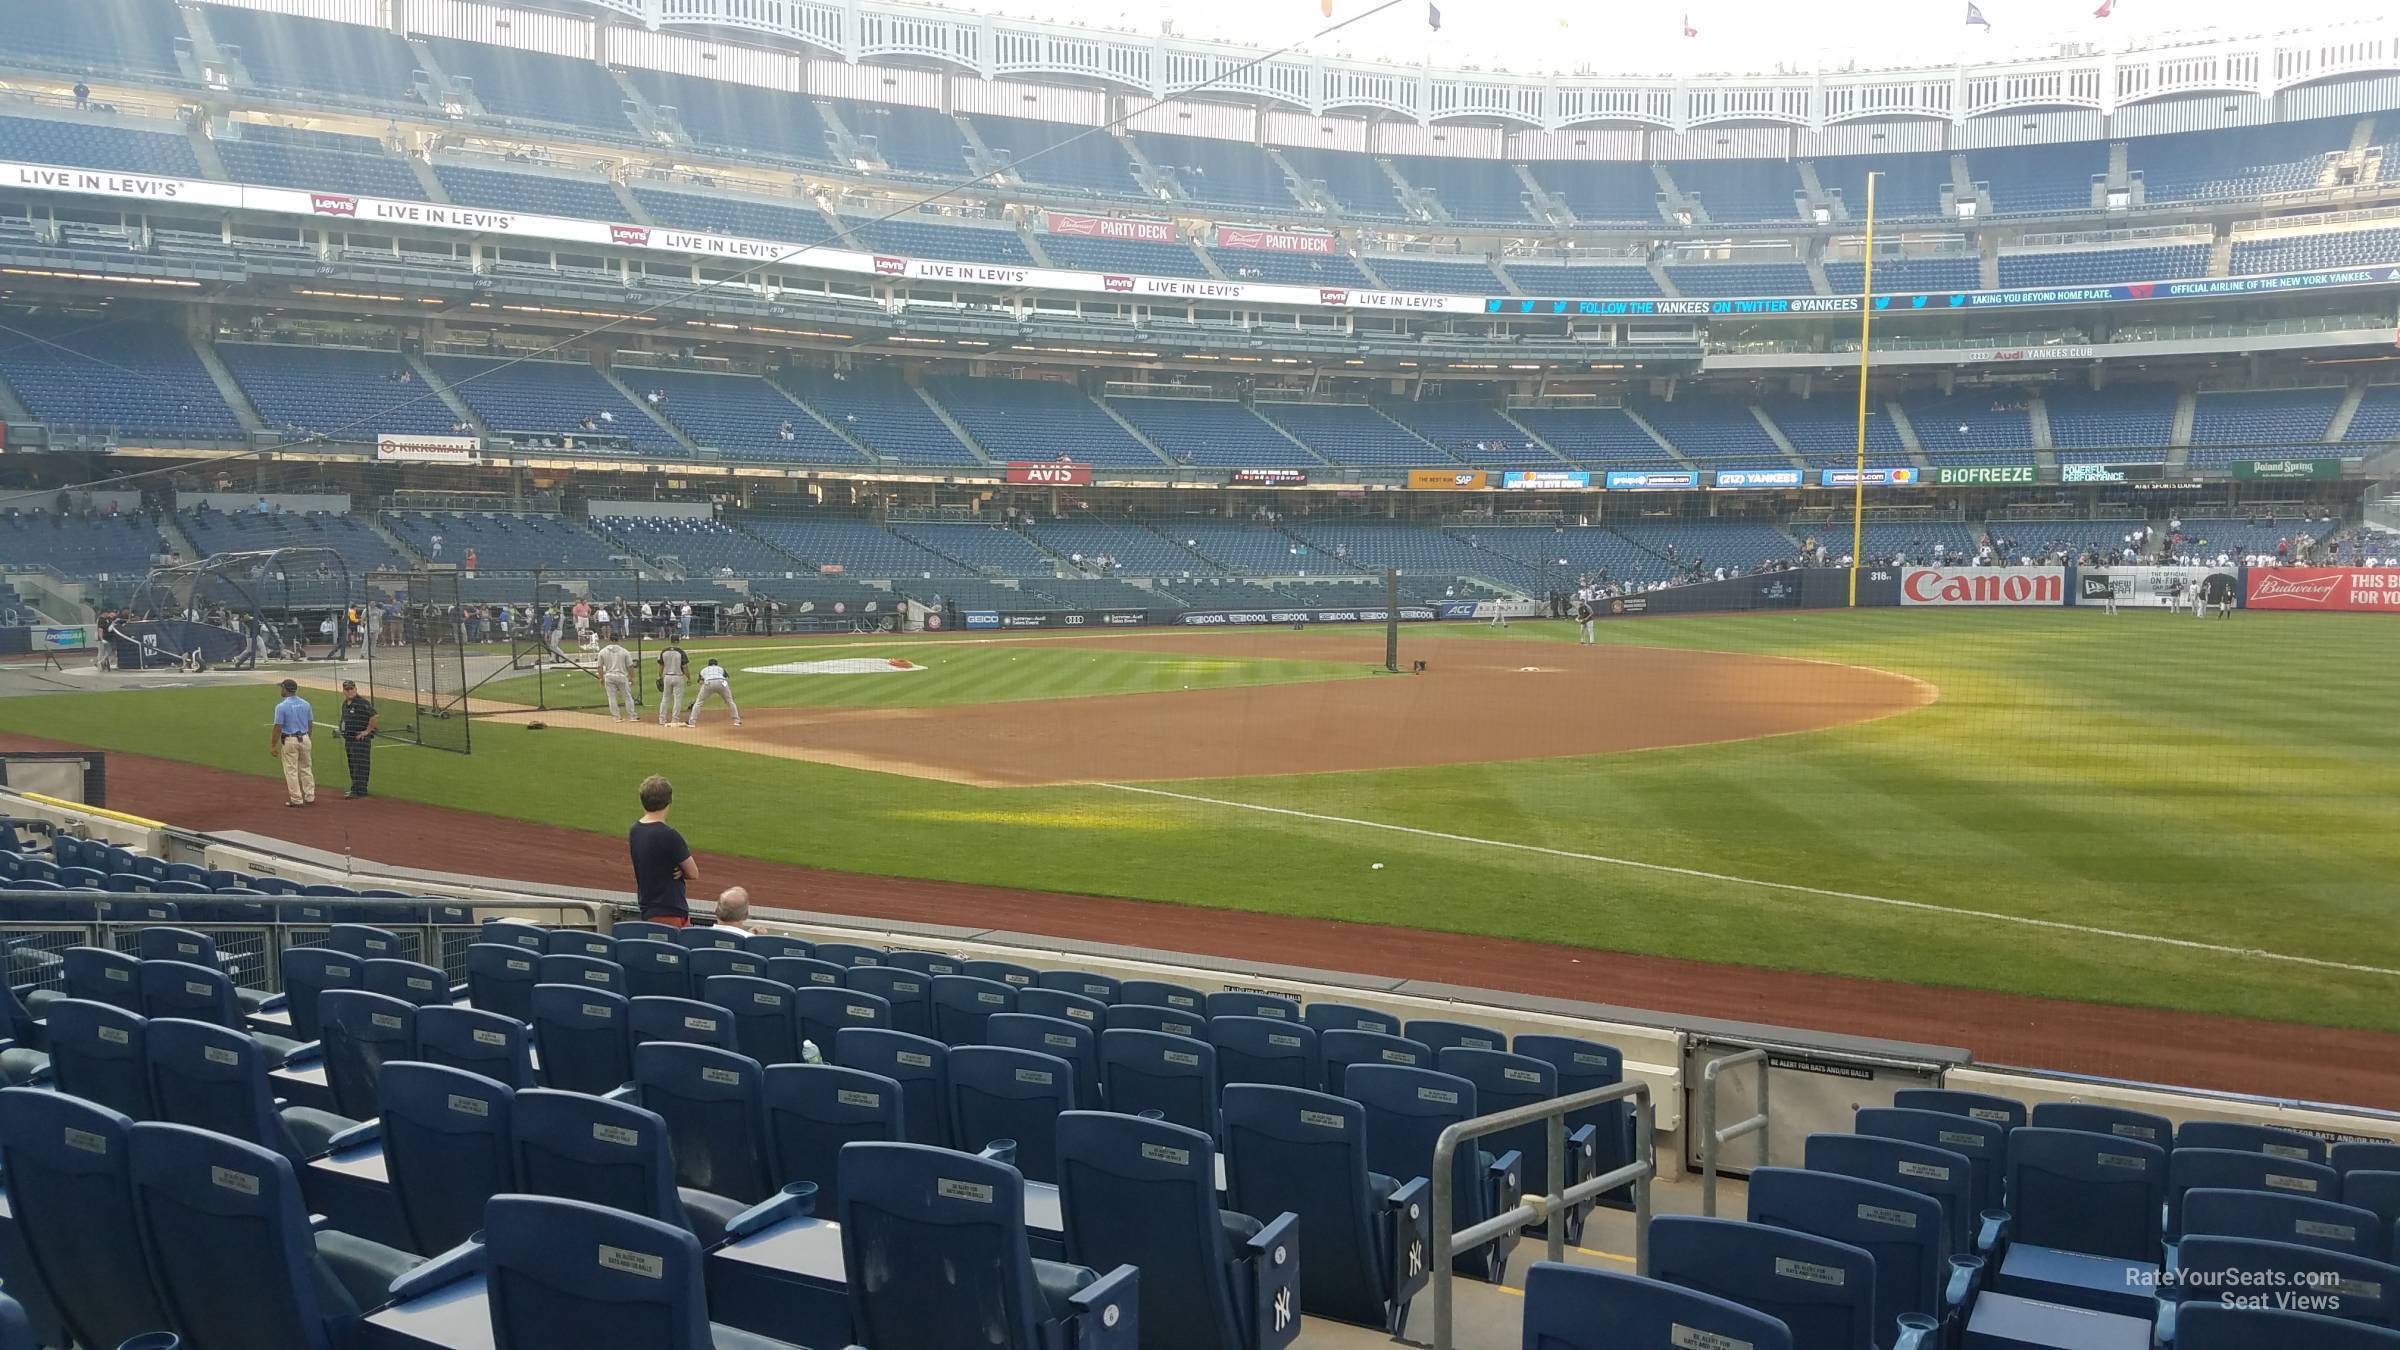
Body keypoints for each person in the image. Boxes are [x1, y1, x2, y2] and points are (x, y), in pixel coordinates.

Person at [628, 775, 697, 927]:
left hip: (648, 908)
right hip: (670, 911)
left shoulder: (635, 830)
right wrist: (682, 870)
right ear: (669, 801)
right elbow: (693, 872)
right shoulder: (669, 835)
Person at [270, 679, 316, 808]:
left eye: (282, 688)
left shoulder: (281, 706)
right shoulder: (306, 704)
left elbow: (278, 727)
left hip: (290, 740)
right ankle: (310, 796)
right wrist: (308, 738)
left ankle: (296, 799)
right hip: (305, 738)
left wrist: (273, 745)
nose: (281, 690)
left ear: (286, 689)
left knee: (291, 770)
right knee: (306, 768)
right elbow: (310, 723)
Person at [337, 680, 378, 798]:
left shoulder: (362, 703)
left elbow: (375, 716)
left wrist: (367, 731)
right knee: (352, 764)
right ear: (344, 691)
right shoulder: (345, 704)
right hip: (349, 739)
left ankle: (359, 790)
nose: (350, 691)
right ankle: (356, 788)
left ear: (355, 689)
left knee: (360, 765)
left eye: (351, 689)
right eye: (347, 689)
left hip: (359, 740)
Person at [687, 657, 741, 728]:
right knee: (730, 701)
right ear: (716, 664)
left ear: (708, 665)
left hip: (708, 683)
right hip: (722, 682)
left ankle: (692, 723)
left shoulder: (704, 670)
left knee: (699, 702)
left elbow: (700, 682)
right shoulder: (720, 668)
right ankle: (737, 721)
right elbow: (727, 679)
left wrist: (703, 689)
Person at [596, 637, 635, 721]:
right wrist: (631, 677)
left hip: (609, 676)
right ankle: (632, 716)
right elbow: (630, 666)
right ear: (618, 640)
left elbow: (599, 667)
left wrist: (601, 678)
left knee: (611, 697)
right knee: (627, 697)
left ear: (610, 640)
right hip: (621, 676)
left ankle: (616, 717)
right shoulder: (624, 651)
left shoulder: (602, 651)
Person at [656, 637, 689, 726]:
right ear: (678, 641)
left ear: (670, 641)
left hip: (667, 677)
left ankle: (662, 719)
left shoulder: (664, 651)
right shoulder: (681, 652)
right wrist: (689, 678)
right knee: (677, 699)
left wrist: (660, 677)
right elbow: (685, 667)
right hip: (678, 677)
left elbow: (661, 667)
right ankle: (675, 719)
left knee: (665, 698)